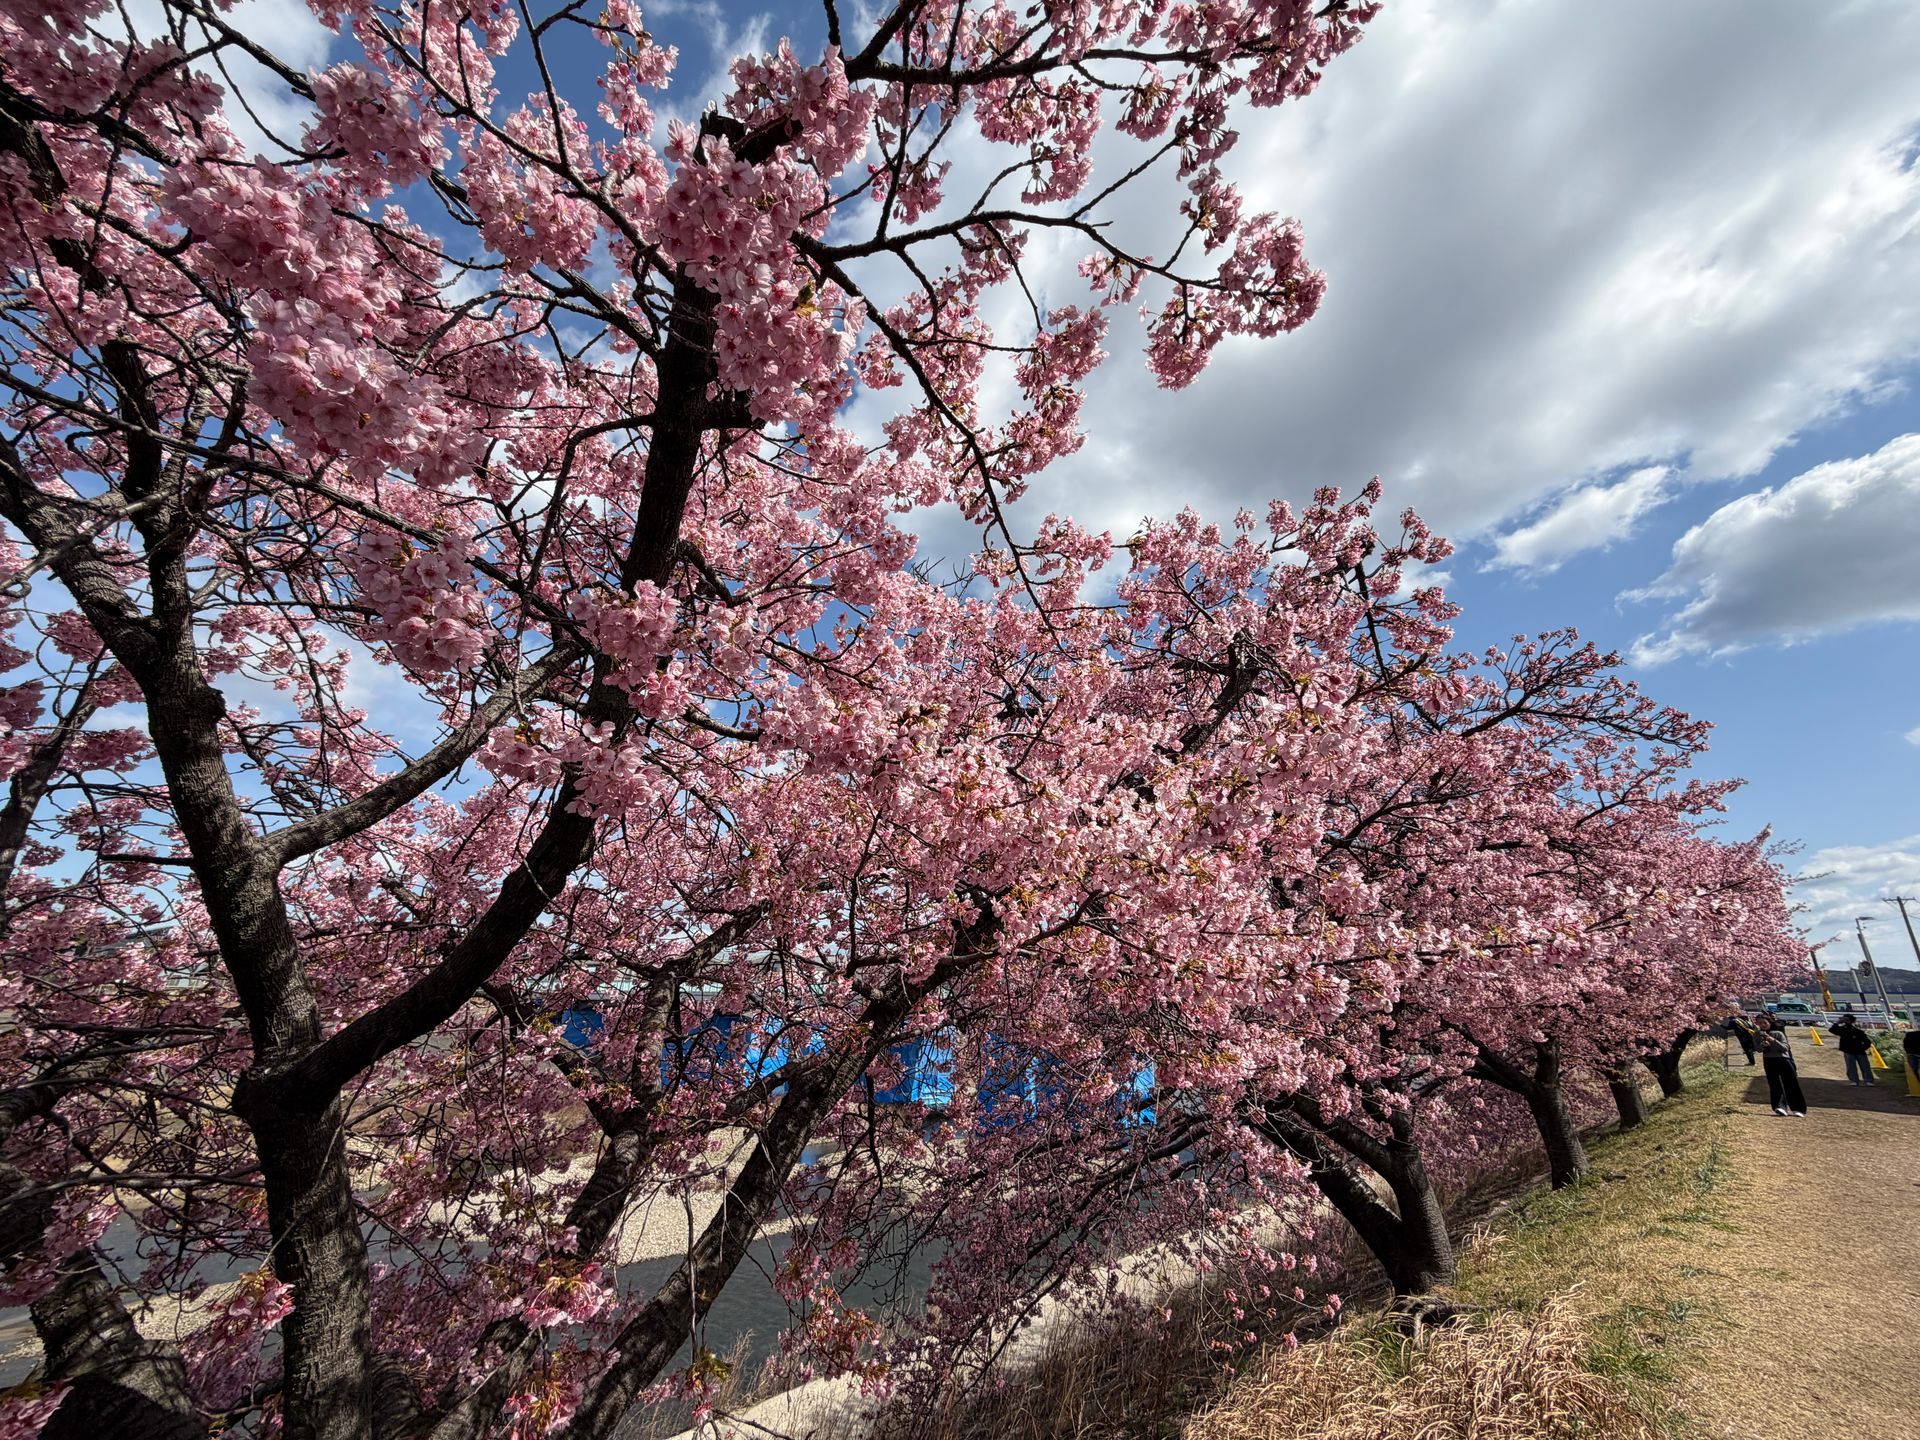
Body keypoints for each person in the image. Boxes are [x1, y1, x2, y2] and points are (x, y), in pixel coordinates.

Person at [1752, 1015, 1806, 1117]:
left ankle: (1797, 1108)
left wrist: (1773, 1041)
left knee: (1791, 1083)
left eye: (1764, 1022)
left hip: (1783, 1060)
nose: (1762, 1025)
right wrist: (1762, 1045)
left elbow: (1785, 1048)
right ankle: (1780, 1107)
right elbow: (1757, 1049)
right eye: (1759, 1023)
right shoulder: (1757, 1035)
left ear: (1769, 1022)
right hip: (1769, 1060)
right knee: (1774, 1084)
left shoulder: (1778, 1033)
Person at [1828, 1014, 1876, 1086]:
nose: (1845, 1021)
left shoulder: (1858, 1031)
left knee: (1865, 1066)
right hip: (1849, 1050)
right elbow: (1832, 1030)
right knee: (1851, 1066)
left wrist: (1863, 1047)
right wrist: (1837, 1023)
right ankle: (1854, 1081)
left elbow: (1867, 1041)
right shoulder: (1843, 1029)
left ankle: (1868, 1081)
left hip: (1859, 1050)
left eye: (1847, 1019)